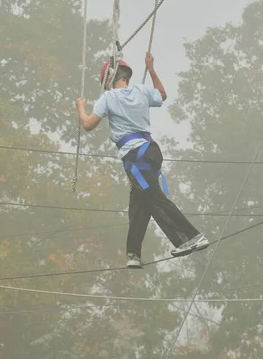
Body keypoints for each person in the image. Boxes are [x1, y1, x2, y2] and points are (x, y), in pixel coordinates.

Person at [75, 52, 209, 269]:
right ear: (126, 75)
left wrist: (80, 107)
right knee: (139, 202)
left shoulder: (108, 98)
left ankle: (191, 236)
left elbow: (88, 124)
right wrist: (152, 69)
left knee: (154, 198)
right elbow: (162, 95)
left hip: (135, 158)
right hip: (150, 152)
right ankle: (133, 253)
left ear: (108, 79)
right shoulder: (141, 89)